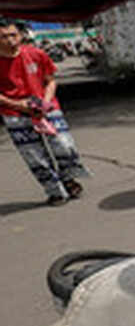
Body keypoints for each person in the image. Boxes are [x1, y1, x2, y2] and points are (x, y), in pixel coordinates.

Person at [0, 18, 90, 205]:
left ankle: (68, 178)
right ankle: (54, 190)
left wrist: (45, 103)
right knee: (34, 156)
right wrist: (17, 105)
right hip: (15, 114)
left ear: (21, 35)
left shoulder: (36, 54)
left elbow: (50, 80)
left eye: (13, 35)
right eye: (3, 37)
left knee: (65, 145)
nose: (10, 40)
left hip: (47, 108)